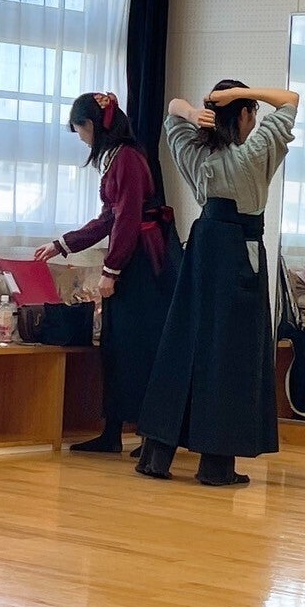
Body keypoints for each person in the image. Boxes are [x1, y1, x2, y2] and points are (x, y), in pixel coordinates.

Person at [135, 81, 299, 486]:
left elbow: (173, 109)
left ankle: (157, 457)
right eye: (252, 112)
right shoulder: (253, 153)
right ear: (243, 114)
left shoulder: (194, 152)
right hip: (240, 252)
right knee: (232, 355)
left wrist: (194, 112)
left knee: (185, 346)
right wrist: (242, 94)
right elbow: (290, 100)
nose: (255, 120)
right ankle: (216, 465)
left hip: (203, 251)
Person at [35, 92, 180, 454]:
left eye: (81, 130)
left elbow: (127, 219)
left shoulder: (127, 158)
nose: (82, 138)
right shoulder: (117, 157)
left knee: (139, 345)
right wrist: (62, 244)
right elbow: (109, 219)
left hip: (143, 262)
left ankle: (150, 436)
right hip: (132, 256)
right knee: (116, 344)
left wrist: (110, 271)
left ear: (93, 125)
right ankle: (112, 431)